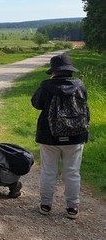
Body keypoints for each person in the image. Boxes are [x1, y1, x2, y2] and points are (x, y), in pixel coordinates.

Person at [31, 53, 89, 219]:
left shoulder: (46, 86)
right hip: (76, 135)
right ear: (70, 70)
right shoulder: (80, 85)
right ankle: (72, 207)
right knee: (72, 172)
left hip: (50, 136)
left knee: (49, 171)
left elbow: (36, 104)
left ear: (53, 71)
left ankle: (46, 205)